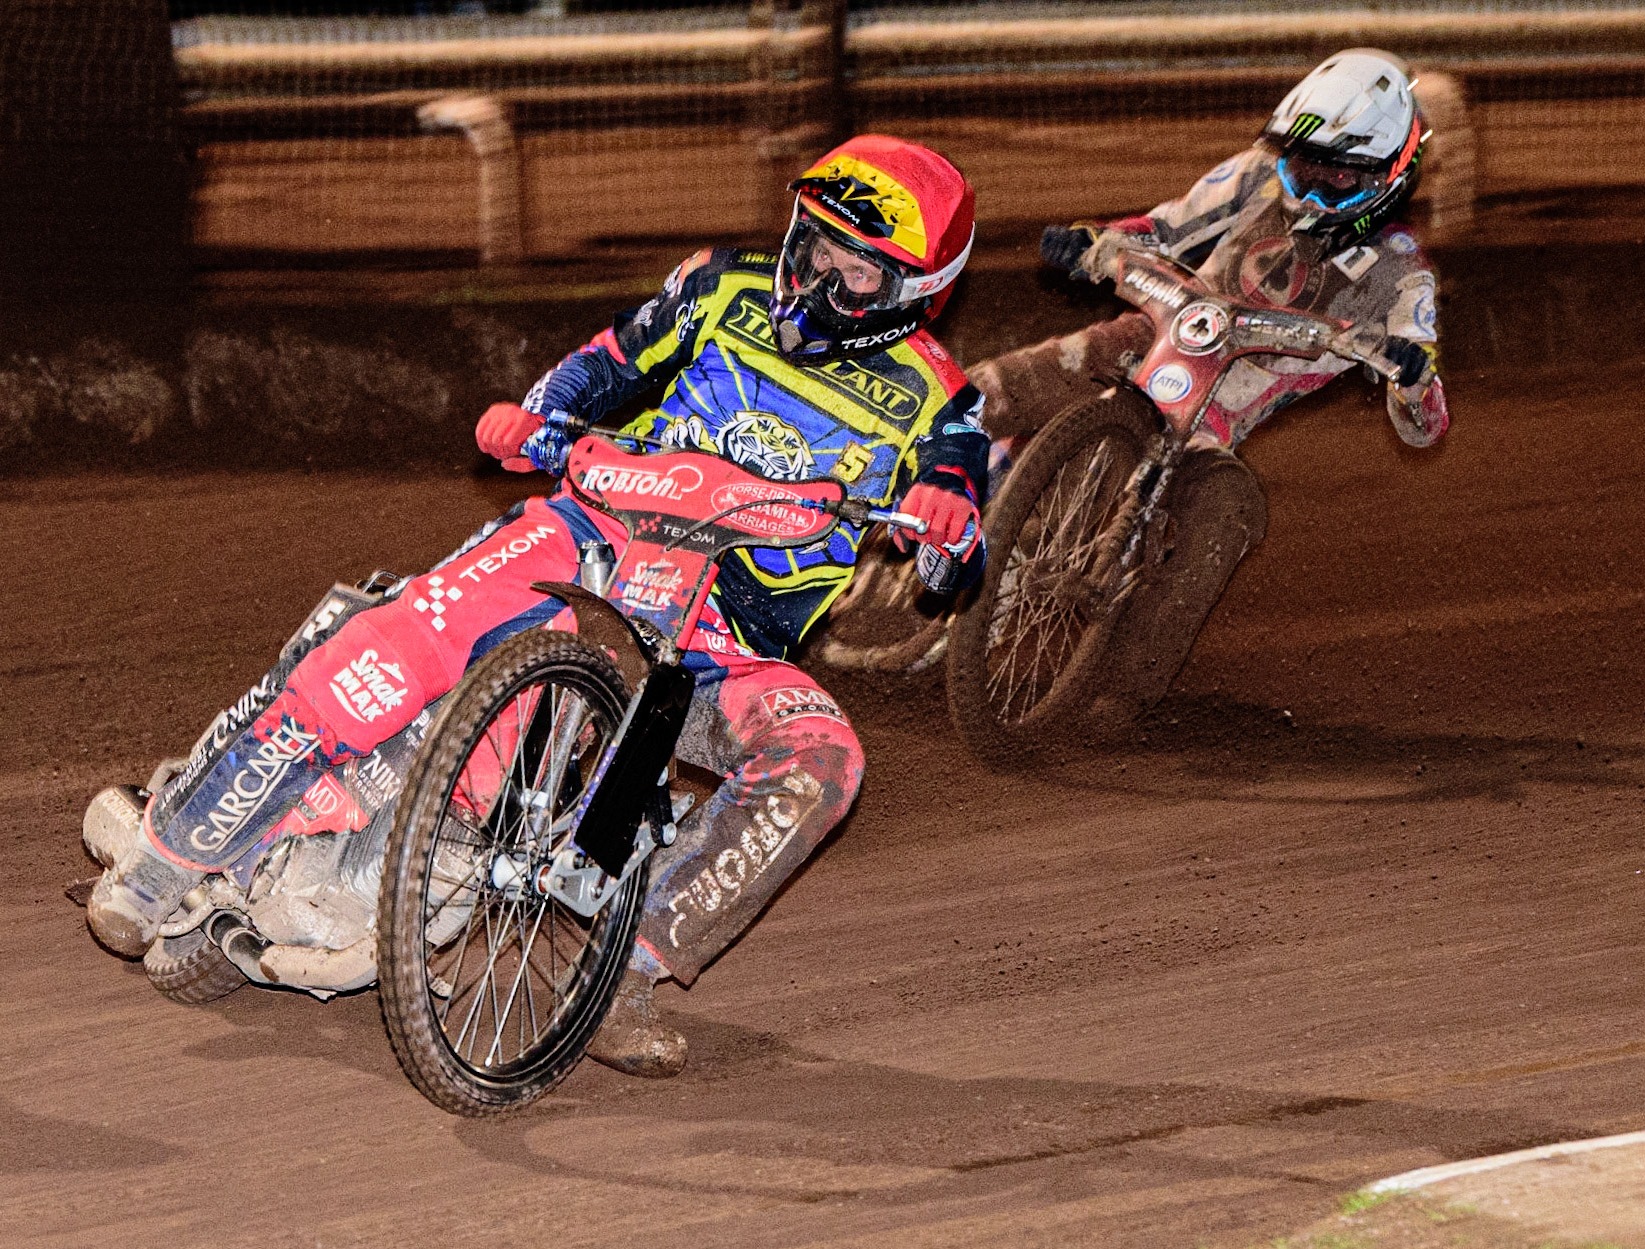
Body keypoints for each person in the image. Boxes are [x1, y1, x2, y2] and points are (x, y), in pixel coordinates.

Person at [85, 134, 991, 1078]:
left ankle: (625, 973)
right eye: (815, 245)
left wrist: (945, 526)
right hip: (596, 534)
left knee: (823, 756)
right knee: (405, 632)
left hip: (727, 641)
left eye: (856, 272)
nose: (818, 278)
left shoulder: (940, 401)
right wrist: (540, 414)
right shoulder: (724, 283)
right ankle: (173, 848)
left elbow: (955, 550)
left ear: (914, 295)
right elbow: (606, 361)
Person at [976, 47, 1449, 455]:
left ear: (1392, 175)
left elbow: (1425, 429)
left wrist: (1412, 381)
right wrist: (1095, 239)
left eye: (1338, 180)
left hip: (1220, 407)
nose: (1310, 195)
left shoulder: (1402, 275)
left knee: (1217, 500)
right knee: (1000, 386)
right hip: (1158, 331)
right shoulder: (1258, 174)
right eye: (1302, 170)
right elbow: (1167, 226)